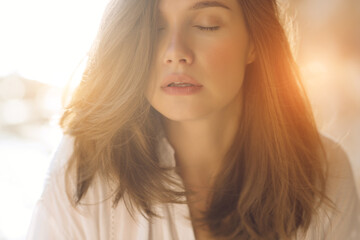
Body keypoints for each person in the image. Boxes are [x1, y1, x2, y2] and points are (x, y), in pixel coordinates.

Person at [26, 0, 360, 239]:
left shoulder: (324, 173)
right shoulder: (84, 169)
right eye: (154, 28)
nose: (175, 50)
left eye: (206, 25)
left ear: (254, 41)